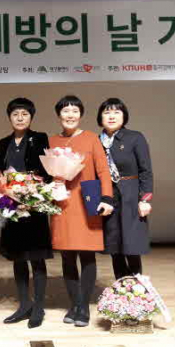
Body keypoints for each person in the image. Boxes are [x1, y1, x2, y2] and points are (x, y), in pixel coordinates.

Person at [49, 95, 114, 327]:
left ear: (81, 115)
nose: (70, 115)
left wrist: (107, 198)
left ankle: (84, 306)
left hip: (88, 202)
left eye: (75, 111)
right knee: (67, 256)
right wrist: (52, 184)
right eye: (66, 111)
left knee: (87, 255)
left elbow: (103, 171)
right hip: (62, 204)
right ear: (59, 115)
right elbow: (49, 173)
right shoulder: (52, 140)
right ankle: (74, 304)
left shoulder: (91, 138)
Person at [0, 98, 53, 329]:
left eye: (24, 114)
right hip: (10, 206)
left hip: (33, 206)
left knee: (36, 258)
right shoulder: (3, 142)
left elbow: (46, 171)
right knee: (17, 258)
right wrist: (2, 190)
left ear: (31, 117)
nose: (20, 118)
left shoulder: (39, 138)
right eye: (15, 114)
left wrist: (28, 191)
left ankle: (38, 308)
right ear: (9, 117)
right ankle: (24, 305)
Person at [97, 98, 153, 279]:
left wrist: (145, 200)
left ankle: (136, 288)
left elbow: (146, 170)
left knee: (132, 246)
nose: (111, 116)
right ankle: (121, 287)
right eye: (107, 112)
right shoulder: (96, 141)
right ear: (100, 117)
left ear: (124, 116)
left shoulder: (135, 137)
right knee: (114, 246)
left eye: (116, 112)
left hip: (130, 196)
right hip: (108, 197)